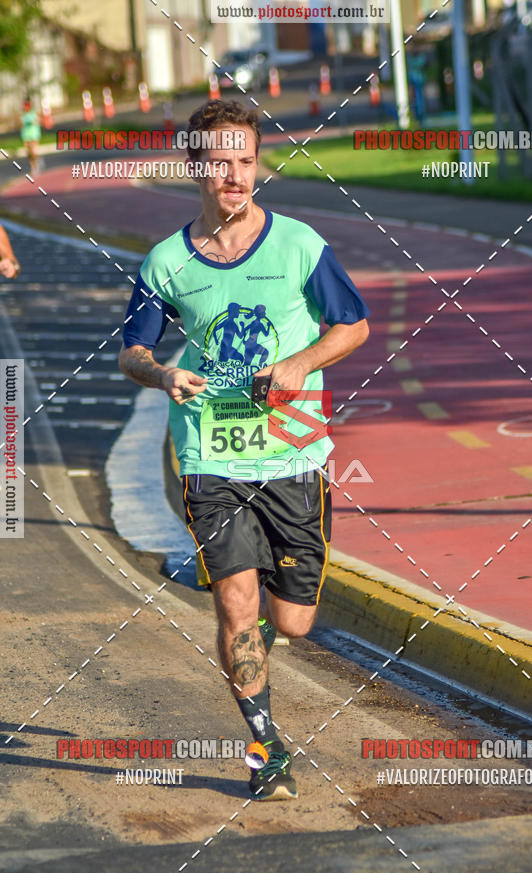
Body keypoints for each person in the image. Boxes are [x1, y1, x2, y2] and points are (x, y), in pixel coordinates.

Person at [119, 99, 370, 801]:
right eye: (221, 162)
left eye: (246, 161)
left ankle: (260, 618)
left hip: (293, 459)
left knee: (291, 620)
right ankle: (267, 751)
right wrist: (162, 372)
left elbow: (353, 324)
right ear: (195, 166)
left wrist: (301, 363)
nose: (235, 175)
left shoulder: (298, 246)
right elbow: (131, 352)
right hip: (208, 457)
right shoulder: (167, 261)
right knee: (236, 611)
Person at [20, 99, 41, 175]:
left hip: (34, 134)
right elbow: (21, 124)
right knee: (29, 152)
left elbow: (37, 121)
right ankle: (33, 167)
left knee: (33, 152)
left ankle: (36, 167)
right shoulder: (23, 115)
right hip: (26, 135)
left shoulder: (33, 114)